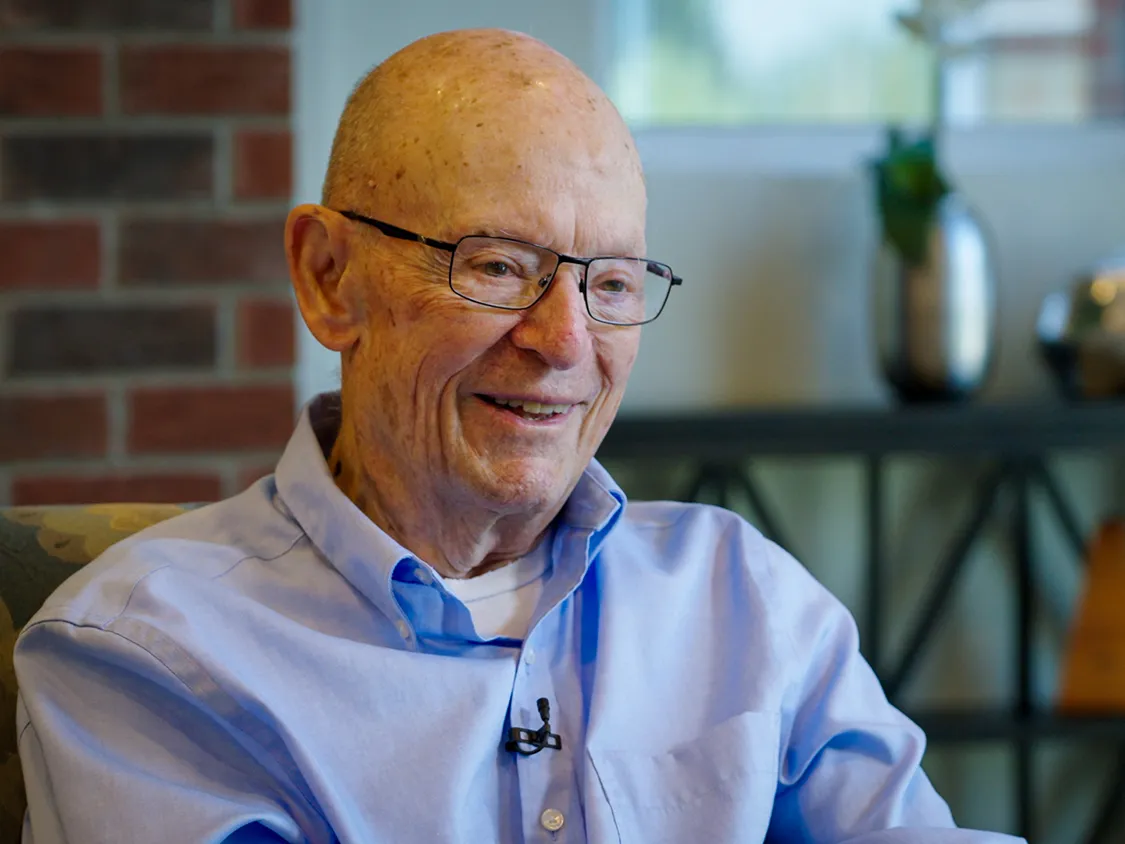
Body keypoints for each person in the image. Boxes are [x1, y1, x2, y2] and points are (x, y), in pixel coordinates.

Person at [14, 28, 1023, 844]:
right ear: (328, 277)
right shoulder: (147, 653)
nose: (564, 342)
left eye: (613, 283)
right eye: (495, 265)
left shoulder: (744, 600)